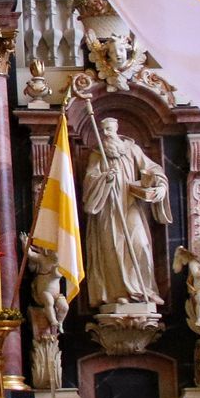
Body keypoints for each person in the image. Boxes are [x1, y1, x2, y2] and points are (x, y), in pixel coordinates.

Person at [81, 117, 172, 308]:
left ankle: (145, 290)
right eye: (103, 130)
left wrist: (161, 186)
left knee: (141, 244)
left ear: (117, 129)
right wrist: (104, 178)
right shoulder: (98, 154)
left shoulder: (132, 149)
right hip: (107, 208)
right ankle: (118, 293)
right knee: (112, 249)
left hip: (130, 204)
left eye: (109, 129)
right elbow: (89, 180)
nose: (106, 133)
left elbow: (152, 168)